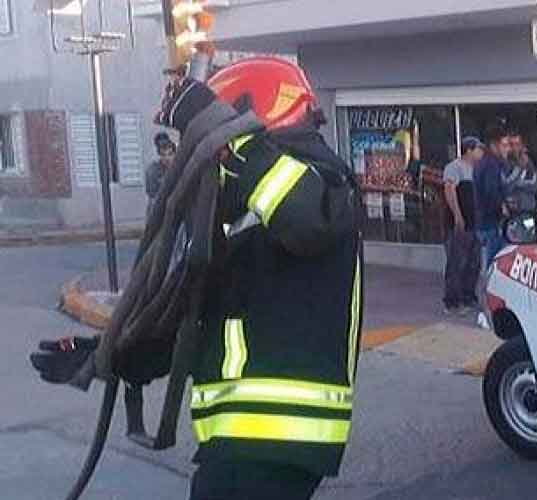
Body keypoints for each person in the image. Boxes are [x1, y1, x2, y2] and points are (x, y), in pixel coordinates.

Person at [30, 57, 362, 500]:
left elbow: (307, 221)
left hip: (272, 438)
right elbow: (195, 321)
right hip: (242, 445)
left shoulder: (323, 180)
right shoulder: (246, 214)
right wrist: (108, 355)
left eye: (208, 141)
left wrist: (228, 133)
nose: (203, 155)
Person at [442, 136, 485, 314]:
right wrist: (457, 215)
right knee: (457, 262)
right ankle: (452, 302)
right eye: (478, 149)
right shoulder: (455, 168)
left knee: (474, 263)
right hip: (460, 224)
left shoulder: (476, 170)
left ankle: (469, 296)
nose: (481, 153)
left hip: (474, 224)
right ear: (469, 150)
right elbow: (449, 190)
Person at [474, 126, 512, 270]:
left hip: (485, 220)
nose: (507, 149)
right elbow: (491, 191)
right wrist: (502, 207)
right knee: (493, 262)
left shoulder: (486, 163)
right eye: (504, 145)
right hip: (491, 221)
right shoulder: (491, 165)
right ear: (494, 145)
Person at [145, 133, 177, 219]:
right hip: (159, 204)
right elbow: (152, 195)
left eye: (170, 154)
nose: (167, 158)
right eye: (163, 155)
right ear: (159, 154)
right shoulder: (152, 170)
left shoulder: (179, 168)